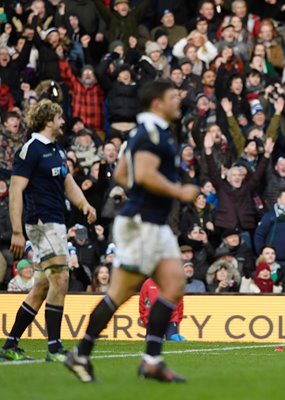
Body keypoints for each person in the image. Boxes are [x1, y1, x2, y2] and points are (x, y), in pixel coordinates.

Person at [64, 80, 199, 383]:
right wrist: (177, 191)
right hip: (142, 224)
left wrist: (147, 191)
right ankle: (82, 353)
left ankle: (150, 359)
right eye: (172, 97)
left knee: (174, 283)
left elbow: (124, 174)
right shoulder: (151, 134)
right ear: (157, 104)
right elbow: (146, 174)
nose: (178, 102)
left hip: (153, 222)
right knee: (121, 292)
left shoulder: (143, 133)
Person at [0, 100, 97, 362]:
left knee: (42, 286)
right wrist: (17, 231)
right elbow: (16, 191)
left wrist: (84, 203)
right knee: (60, 279)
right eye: (58, 116)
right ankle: (54, 347)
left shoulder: (57, 150)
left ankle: (10, 345)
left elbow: (68, 183)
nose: (63, 121)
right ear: (47, 120)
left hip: (55, 222)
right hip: (41, 223)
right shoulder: (30, 150)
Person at [139, 277, 185, 342]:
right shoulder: (147, 283)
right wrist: (146, 321)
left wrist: (176, 320)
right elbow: (142, 303)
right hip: (152, 320)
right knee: (152, 345)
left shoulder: (174, 283)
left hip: (170, 320)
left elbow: (180, 303)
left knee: (173, 342)